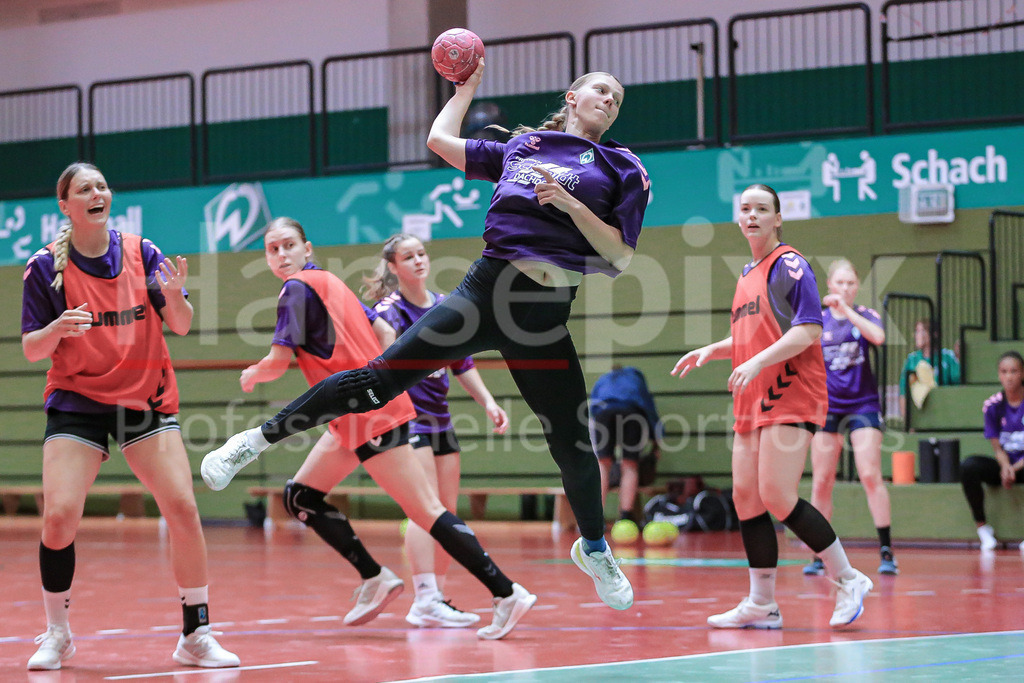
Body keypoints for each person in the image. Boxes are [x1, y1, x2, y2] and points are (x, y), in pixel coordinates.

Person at [201, 60, 650, 611]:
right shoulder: (524, 146)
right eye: (601, 90)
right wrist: (466, 90)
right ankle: (250, 443)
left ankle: (595, 548)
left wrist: (571, 203)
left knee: (572, 442)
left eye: (618, 98)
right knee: (376, 383)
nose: (610, 99)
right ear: (573, 96)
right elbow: (440, 140)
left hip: (543, 312)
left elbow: (620, 255)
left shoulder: (621, 165)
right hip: (486, 290)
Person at [235, 217, 534, 639]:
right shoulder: (329, 282)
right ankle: (375, 578)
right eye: (272, 249)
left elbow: (278, 362)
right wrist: (384, 371)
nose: (281, 255)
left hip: (370, 414)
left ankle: (505, 593)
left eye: (288, 246)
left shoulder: (297, 289)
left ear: (307, 248)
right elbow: (380, 328)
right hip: (349, 416)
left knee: (427, 511)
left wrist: (254, 374)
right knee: (301, 496)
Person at [20, 162, 239, 670]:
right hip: (78, 401)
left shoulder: (143, 254)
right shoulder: (44, 267)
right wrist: (56, 328)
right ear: (66, 206)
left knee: (182, 507)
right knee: (58, 517)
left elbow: (180, 326)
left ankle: (196, 633)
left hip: (144, 398)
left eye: (101, 186)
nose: (97, 193)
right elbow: (32, 349)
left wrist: (176, 296)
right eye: (84, 189)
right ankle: (58, 633)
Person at [671, 184, 872, 630]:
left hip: (791, 388)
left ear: (777, 218)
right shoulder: (748, 273)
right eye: (745, 209)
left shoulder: (790, 266)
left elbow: (808, 330)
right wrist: (714, 349)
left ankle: (848, 578)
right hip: (753, 393)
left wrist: (756, 361)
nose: (753, 215)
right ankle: (762, 603)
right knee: (746, 496)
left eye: (762, 209)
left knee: (777, 495)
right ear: (738, 219)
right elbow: (751, 337)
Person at [362, 232, 510, 628]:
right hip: (410, 419)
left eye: (422, 253)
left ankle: (436, 597)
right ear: (394, 267)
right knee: (422, 509)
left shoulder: (445, 306)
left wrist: (488, 402)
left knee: (446, 510)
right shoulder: (388, 311)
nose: (418, 261)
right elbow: (379, 365)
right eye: (407, 257)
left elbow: (461, 363)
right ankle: (423, 596)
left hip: (441, 419)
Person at [804, 259, 897, 577]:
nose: (844, 288)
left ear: (856, 287)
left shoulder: (865, 315)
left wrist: (848, 309)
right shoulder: (818, 321)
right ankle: (819, 554)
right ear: (829, 284)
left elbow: (879, 337)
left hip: (863, 405)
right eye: (839, 283)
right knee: (821, 481)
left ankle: (885, 549)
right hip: (827, 407)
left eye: (850, 284)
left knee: (870, 474)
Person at [960, 351, 1024, 552]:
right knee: (969, 466)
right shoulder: (992, 405)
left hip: (1021, 465)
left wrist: (1014, 468)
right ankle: (983, 530)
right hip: (1006, 465)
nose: (1009, 376)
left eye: (1014, 371)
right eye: (1004, 372)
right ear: (999, 375)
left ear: (1022, 374)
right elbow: (997, 447)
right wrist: (1005, 467)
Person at [588, 365, 662, 528]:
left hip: (604, 413)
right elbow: (649, 407)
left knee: (603, 464)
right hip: (632, 412)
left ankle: (595, 518)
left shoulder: (603, 379)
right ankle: (626, 517)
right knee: (630, 465)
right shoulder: (636, 377)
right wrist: (656, 440)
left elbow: (593, 408)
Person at [900, 319, 962, 413]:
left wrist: (960, 359)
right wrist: (907, 423)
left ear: (934, 334)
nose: (917, 335)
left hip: (945, 410)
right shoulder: (912, 360)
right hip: (920, 413)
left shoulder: (948, 357)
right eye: (916, 331)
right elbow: (903, 393)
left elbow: (958, 384)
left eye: (922, 331)